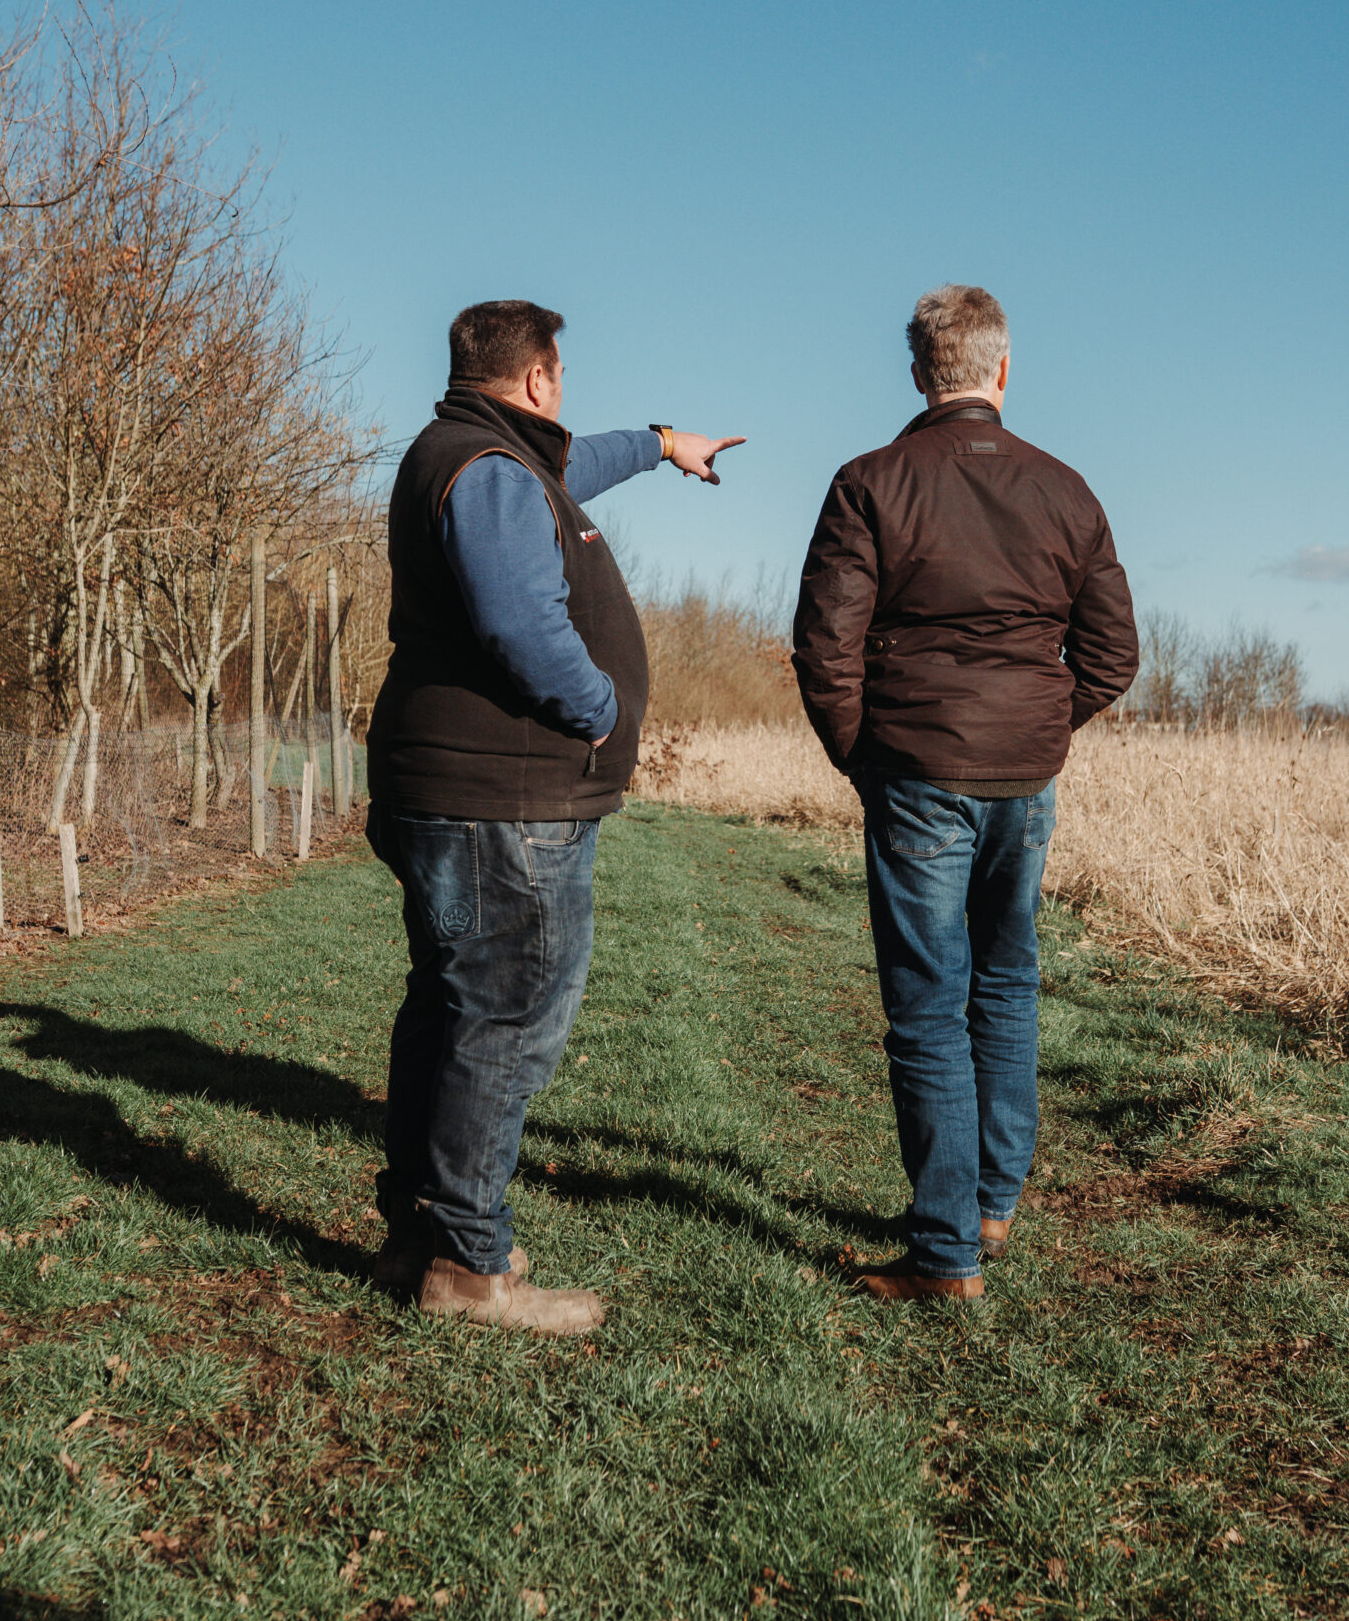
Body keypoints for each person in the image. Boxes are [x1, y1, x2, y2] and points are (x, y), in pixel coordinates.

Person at [366, 299, 744, 1334]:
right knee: (509, 1019)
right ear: (537, 377)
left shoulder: (487, 457)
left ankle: (427, 1227)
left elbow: (581, 466)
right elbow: (519, 622)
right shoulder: (488, 473)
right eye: (561, 374)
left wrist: (665, 446)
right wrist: (601, 707)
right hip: (502, 801)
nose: (566, 392)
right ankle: (468, 1264)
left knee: (451, 1008)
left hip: (467, 793)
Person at [791, 283, 1137, 1303]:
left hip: (920, 774)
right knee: (1005, 981)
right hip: (1023, 781)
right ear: (1002, 368)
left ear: (916, 374)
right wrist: (1035, 727)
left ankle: (947, 1251)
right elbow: (1113, 655)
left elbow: (825, 647)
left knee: (929, 1006)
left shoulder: (870, 482)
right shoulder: (1067, 489)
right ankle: (990, 1201)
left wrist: (868, 753)